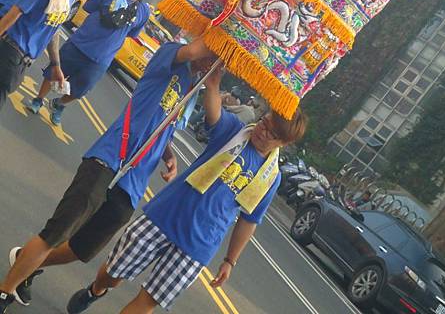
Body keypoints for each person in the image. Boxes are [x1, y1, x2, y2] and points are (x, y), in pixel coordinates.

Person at [65, 66, 307, 314]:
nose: (262, 132)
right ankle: (96, 290)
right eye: (264, 123)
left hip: (199, 244)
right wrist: (212, 85)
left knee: (148, 301)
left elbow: (249, 220)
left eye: (271, 134)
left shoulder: (271, 177)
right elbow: (214, 115)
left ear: (283, 143)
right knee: (114, 272)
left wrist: (229, 261)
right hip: (164, 216)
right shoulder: (235, 132)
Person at [0, 39, 215, 312]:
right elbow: (195, 52)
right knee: (57, 231)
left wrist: (168, 155)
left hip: (134, 182)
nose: (211, 61)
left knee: (83, 248)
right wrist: (225, 36)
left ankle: (27, 261)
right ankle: (5, 292)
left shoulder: (191, 90)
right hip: (110, 157)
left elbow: (161, 125)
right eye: (213, 53)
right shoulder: (171, 55)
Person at [27, 0, 152, 125]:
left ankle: (59, 103)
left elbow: (132, 33)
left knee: (81, 88)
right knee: (55, 72)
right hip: (80, 43)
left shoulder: (143, 11)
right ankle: (38, 99)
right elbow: (89, 7)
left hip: (102, 58)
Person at [0, 0, 108, 112]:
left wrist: (56, 66)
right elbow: (17, 11)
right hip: (10, 49)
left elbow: (52, 29)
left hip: (22, 60)